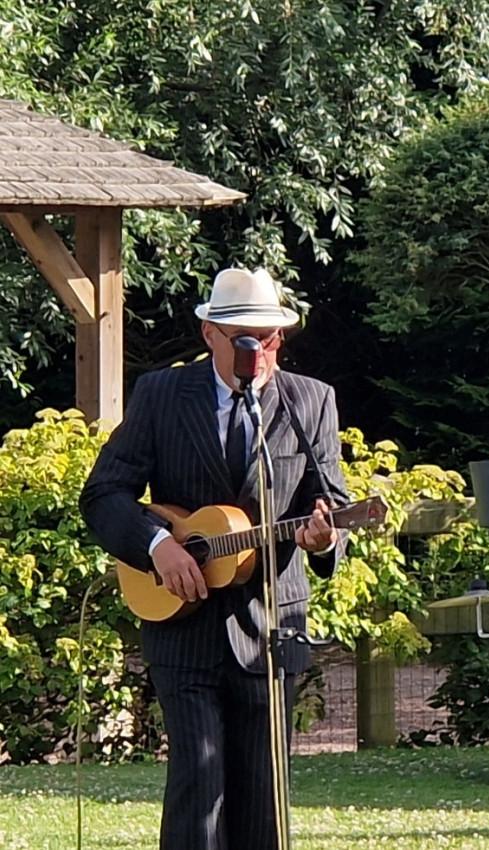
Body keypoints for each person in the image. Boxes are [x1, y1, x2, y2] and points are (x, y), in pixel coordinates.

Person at [80, 267, 348, 850]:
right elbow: (104, 494)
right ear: (210, 335)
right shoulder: (160, 395)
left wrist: (326, 538)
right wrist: (158, 546)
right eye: (246, 339)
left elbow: (333, 503)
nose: (262, 350)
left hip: (273, 627)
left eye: (272, 337)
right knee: (198, 787)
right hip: (182, 626)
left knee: (263, 798)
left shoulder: (311, 401)